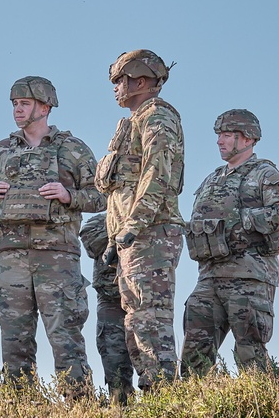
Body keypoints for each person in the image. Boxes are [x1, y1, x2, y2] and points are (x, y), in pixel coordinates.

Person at [0, 76, 103, 394]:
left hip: (57, 256)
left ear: (45, 107)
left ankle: (79, 407)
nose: (17, 110)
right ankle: (19, 405)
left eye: (25, 103)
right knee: (14, 340)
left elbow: (102, 196)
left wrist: (68, 194)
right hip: (12, 258)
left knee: (65, 337)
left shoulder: (72, 149)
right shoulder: (2, 150)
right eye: (15, 104)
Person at [180, 109, 279, 376]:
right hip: (209, 276)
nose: (220, 141)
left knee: (250, 351)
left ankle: (263, 405)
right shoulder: (212, 179)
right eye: (219, 135)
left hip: (249, 275)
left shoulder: (264, 174)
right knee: (194, 352)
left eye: (227, 135)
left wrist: (241, 222)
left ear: (247, 139)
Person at [95, 49, 184, 391]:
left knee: (150, 320)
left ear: (141, 81)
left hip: (150, 233)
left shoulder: (156, 116)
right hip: (131, 237)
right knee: (136, 319)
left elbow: (157, 173)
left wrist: (132, 225)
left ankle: (164, 401)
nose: (116, 87)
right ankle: (154, 397)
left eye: (121, 80)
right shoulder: (132, 122)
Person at [79, 213, 134, 404]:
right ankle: (121, 407)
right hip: (110, 298)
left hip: (142, 298)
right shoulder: (107, 217)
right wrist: (123, 228)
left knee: (151, 358)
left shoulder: (150, 212)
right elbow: (89, 239)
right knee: (114, 362)